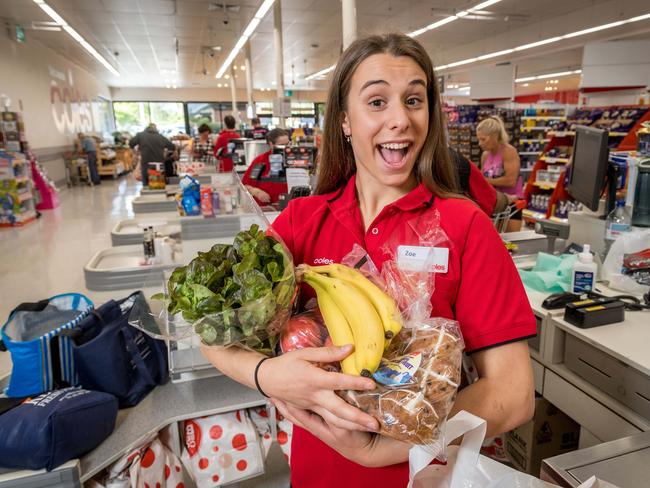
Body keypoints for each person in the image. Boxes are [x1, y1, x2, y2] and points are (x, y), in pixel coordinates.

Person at [202, 33, 536, 487]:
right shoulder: (301, 223)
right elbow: (213, 332)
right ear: (344, 120)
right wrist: (268, 375)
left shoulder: (465, 226)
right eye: (377, 101)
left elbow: (513, 394)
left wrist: (384, 450)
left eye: (414, 100)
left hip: (426, 474)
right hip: (318, 472)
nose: (400, 119)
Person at [449, 147, 510, 217]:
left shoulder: (508, 152)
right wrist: (507, 199)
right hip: (459, 219)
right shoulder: (460, 163)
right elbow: (489, 199)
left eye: (483, 139)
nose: (480, 143)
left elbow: (511, 181)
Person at [241, 128, 289, 205]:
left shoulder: (293, 160)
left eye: (287, 144)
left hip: (289, 208)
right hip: (267, 209)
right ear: (271, 144)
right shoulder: (260, 160)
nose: (286, 148)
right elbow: (245, 186)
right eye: (281, 145)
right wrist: (257, 192)